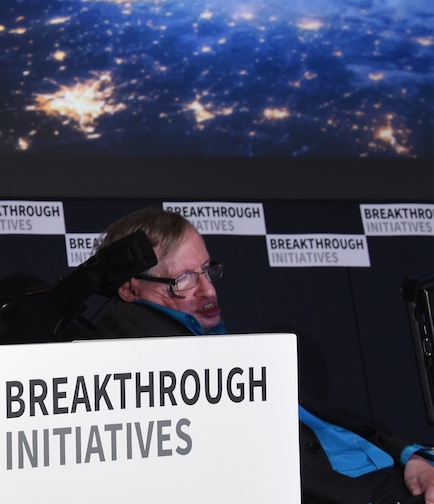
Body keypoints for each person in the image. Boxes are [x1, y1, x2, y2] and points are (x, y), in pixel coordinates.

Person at [94, 207, 434, 504]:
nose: (209, 290)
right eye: (183, 279)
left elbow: (331, 430)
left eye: (207, 270)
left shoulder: (229, 353)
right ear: (129, 288)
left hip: (401, 476)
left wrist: (411, 458)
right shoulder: (144, 343)